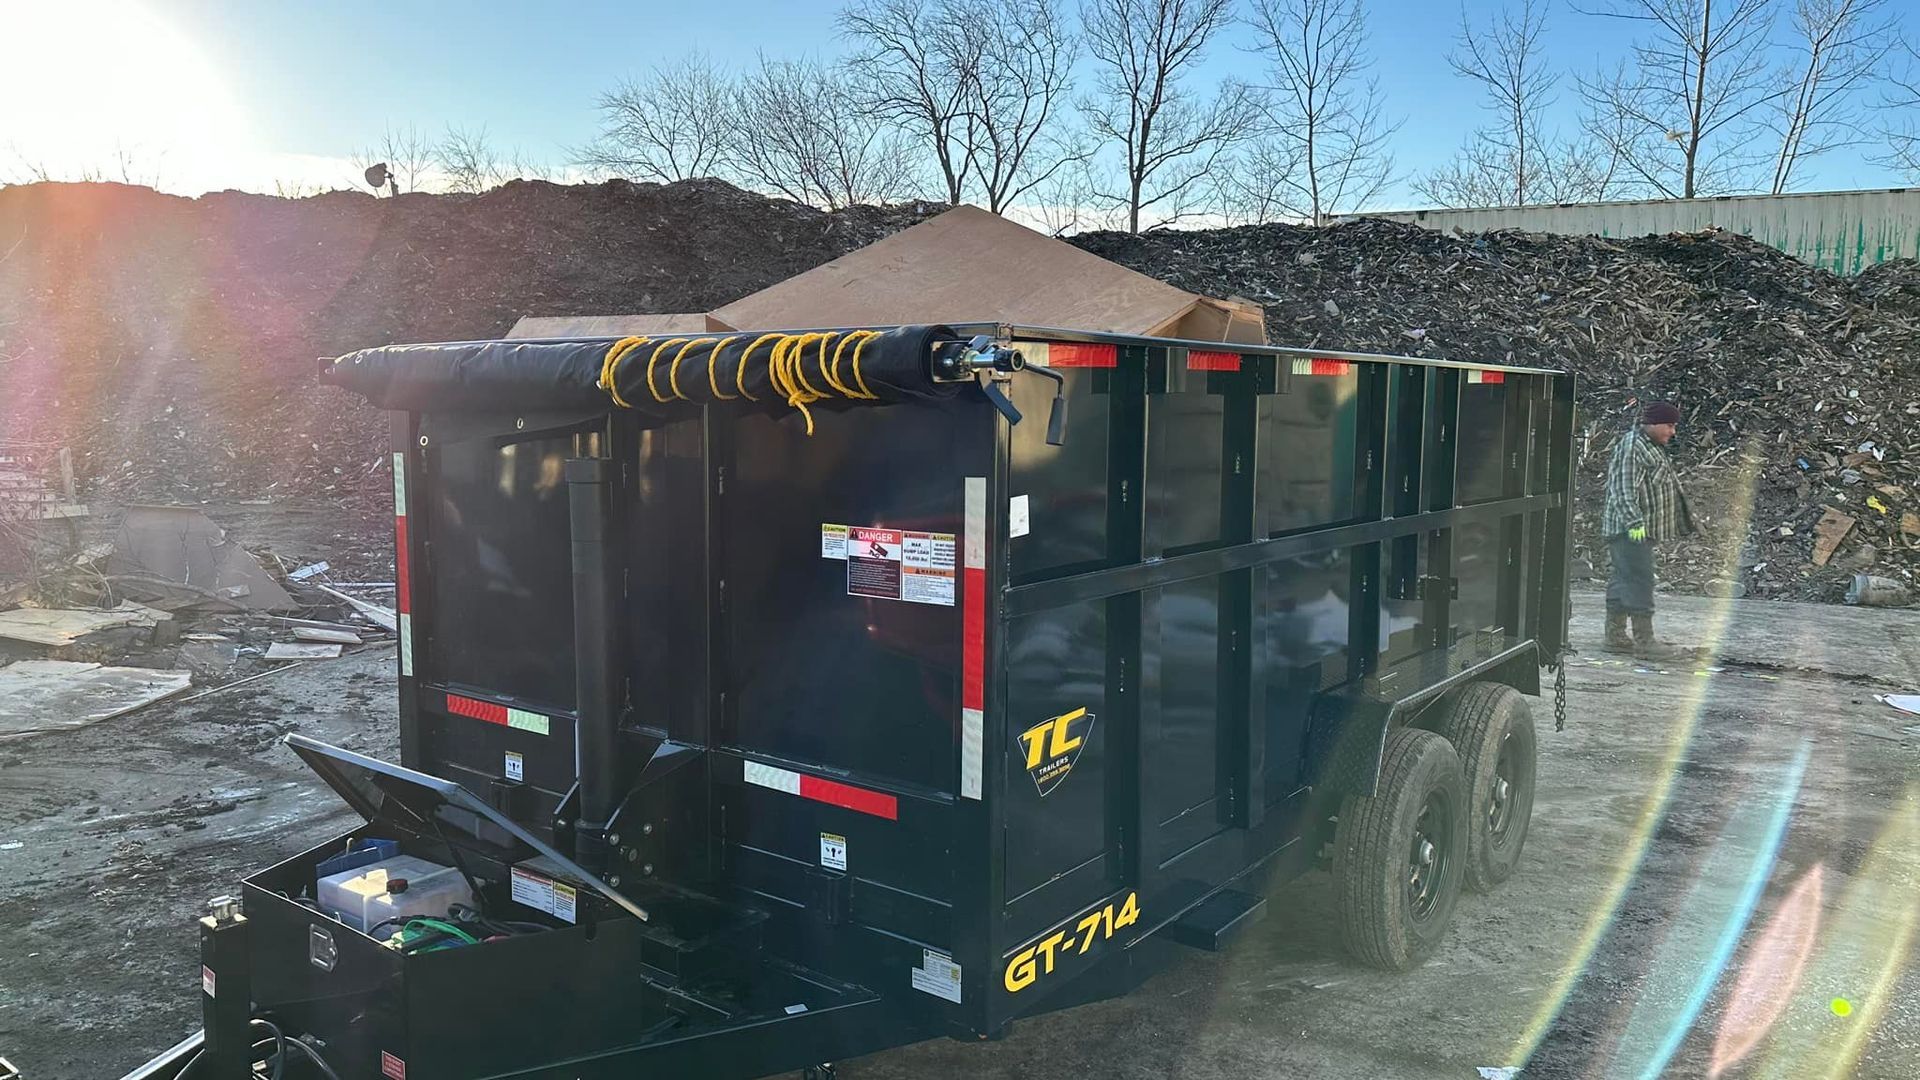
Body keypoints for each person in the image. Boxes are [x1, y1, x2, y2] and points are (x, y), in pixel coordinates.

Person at [1601, 400, 1694, 660]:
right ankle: (1645, 642)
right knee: (1640, 580)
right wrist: (1635, 525)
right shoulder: (1633, 447)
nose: (1672, 432)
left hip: (1634, 528)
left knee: (1623, 578)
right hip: (1630, 530)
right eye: (1669, 425)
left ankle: (1616, 637)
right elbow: (1622, 489)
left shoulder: (1648, 445)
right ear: (1652, 424)